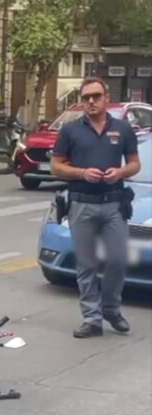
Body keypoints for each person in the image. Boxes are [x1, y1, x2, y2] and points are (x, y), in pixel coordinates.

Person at [51, 77, 141, 339]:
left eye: (96, 96)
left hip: (114, 204)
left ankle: (111, 308)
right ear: (81, 100)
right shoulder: (70, 131)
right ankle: (92, 318)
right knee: (87, 265)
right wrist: (81, 173)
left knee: (118, 259)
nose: (91, 101)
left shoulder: (123, 129)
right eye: (86, 97)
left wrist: (120, 171)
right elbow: (57, 166)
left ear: (106, 97)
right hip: (82, 204)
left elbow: (135, 164)